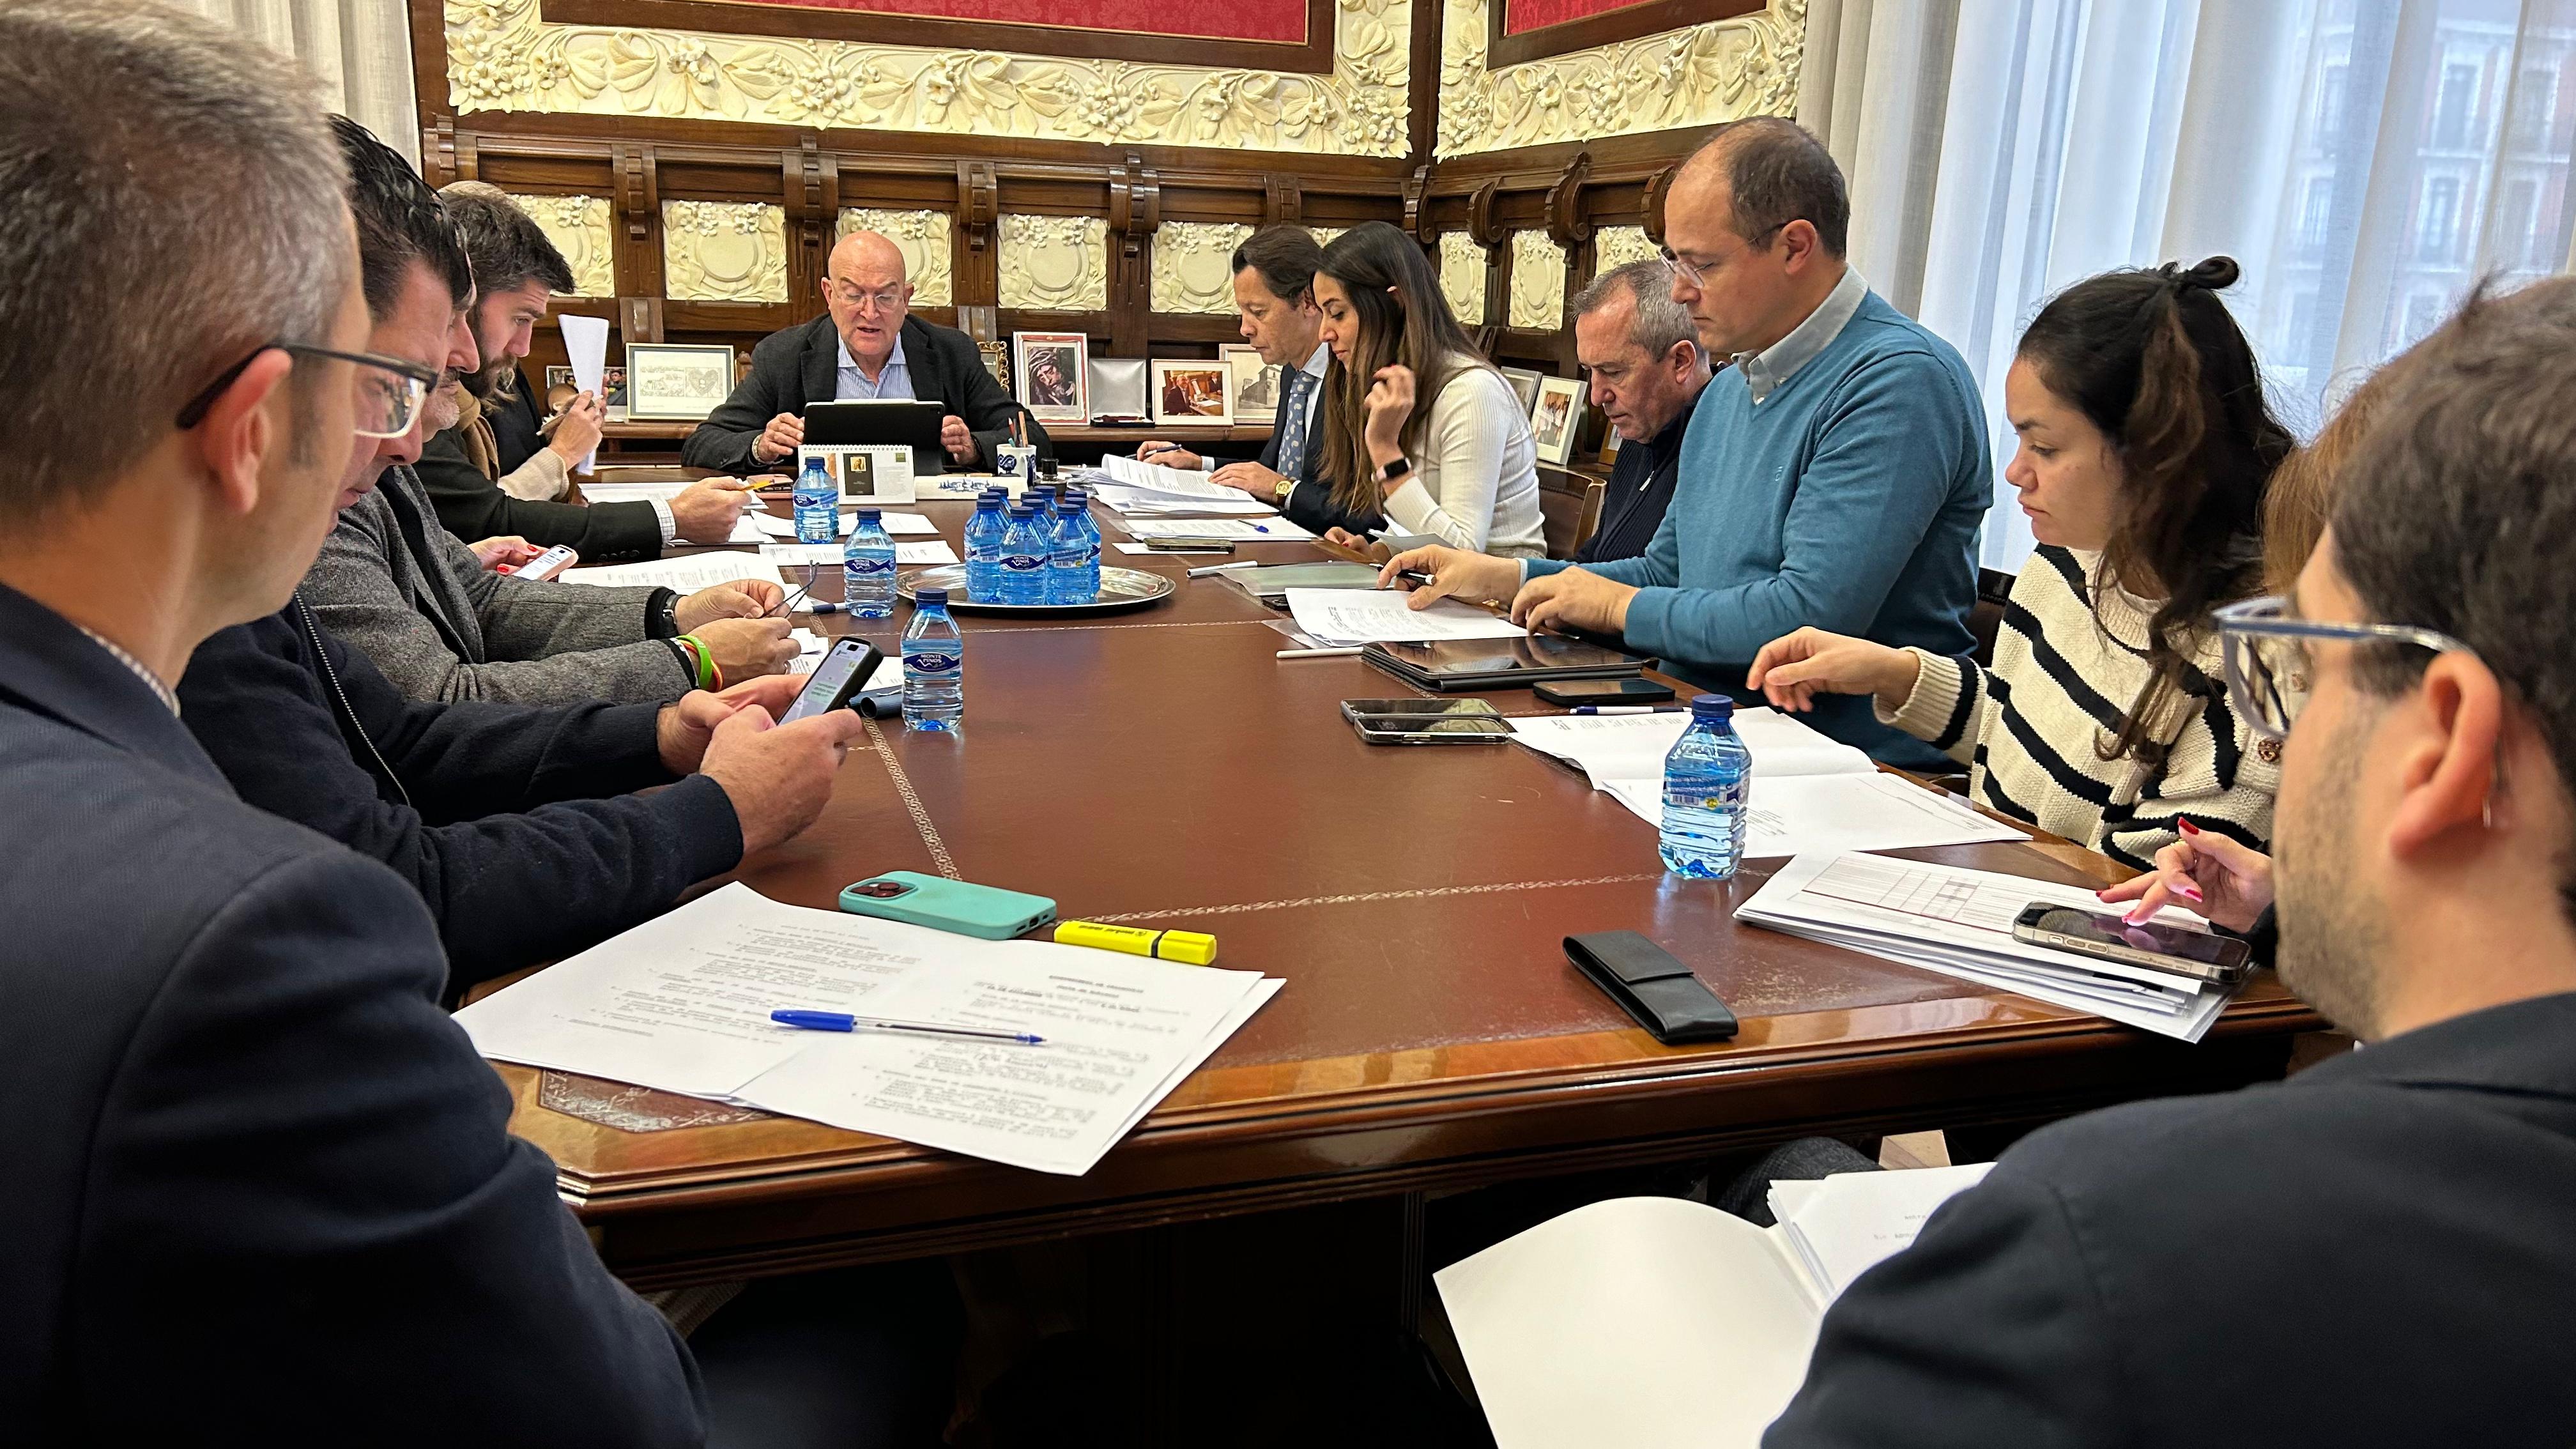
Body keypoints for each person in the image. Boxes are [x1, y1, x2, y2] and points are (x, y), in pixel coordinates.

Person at [0, 6, 703, 1437]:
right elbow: (628, 1418)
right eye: (382, 387)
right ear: (255, 423)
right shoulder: (255, 949)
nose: (406, 436)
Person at [1751, 275, 2576, 1446]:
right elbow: (2019, 729)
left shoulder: (2101, 1251)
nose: (2283, 738)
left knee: (1775, 1173)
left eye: (2307, 669)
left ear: (2440, 744)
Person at [174, 116, 866, 991]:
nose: (418, 432)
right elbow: (394, 893)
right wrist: (717, 810)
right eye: (396, 386)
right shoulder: (194, 599)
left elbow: (406, 740)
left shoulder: (230, 576)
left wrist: (659, 735)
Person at [1383, 119, 1988, 769]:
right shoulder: (1729, 390)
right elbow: (1666, 573)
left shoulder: (1899, 381)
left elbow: (1805, 619)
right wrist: (1512, 577)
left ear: (1795, 247)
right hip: (1697, 725)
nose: (1679, 290)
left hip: (1846, 767)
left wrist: (1618, 606)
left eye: (1702, 264)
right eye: (1675, 262)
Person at [1744, 259, 2294, 868]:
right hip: (2000, 883)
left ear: (2157, 454)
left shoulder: (2260, 657)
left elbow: (2149, 889)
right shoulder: (2068, 554)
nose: (2016, 472)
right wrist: (1894, 674)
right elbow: (2027, 740)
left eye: (2046, 448)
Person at [304, 164, 795, 705]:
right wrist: (691, 659)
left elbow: (480, 598)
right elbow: (439, 704)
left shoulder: (378, 462)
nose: (466, 354)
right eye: (447, 323)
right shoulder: (326, 491)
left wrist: (672, 613)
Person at [411, 188, 751, 562]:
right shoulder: (415, 393)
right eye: (519, 319)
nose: (523, 348)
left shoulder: (495, 370)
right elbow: (486, 518)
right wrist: (671, 518)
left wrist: (562, 432)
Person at [684, 228, 1049, 473]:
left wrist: (974, 448)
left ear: (906, 298)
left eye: (886, 297)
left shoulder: (951, 352)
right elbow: (703, 444)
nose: (870, 313)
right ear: (829, 294)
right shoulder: (785, 354)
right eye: (854, 295)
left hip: (928, 513)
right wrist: (761, 446)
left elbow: (1031, 437)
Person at [1312, 221, 1545, 556]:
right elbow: (1426, 522)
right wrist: (1380, 550)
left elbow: (1463, 553)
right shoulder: (1395, 384)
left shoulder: (1473, 392)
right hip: (1432, 584)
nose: (1324, 333)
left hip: (1499, 587)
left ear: (1395, 303)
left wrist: (1385, 450)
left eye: (1337, 313)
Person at [1133, 225, 1374, 537]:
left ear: (1308, 302)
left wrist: (1282, 490)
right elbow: (1270, 471)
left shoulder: (1356, 377)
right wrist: (1201, 464)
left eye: (1258, 312)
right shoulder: (1293, 373)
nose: (1245, 329)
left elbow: (1368, 516)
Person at [1568, 259, 1713, 564]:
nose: (1596, 397)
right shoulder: (1642, 429)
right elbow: (1596, 558)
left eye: (1614, 372)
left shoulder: (1721, 446)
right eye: (1589, 371)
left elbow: (1665, 582)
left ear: (1681, 362)